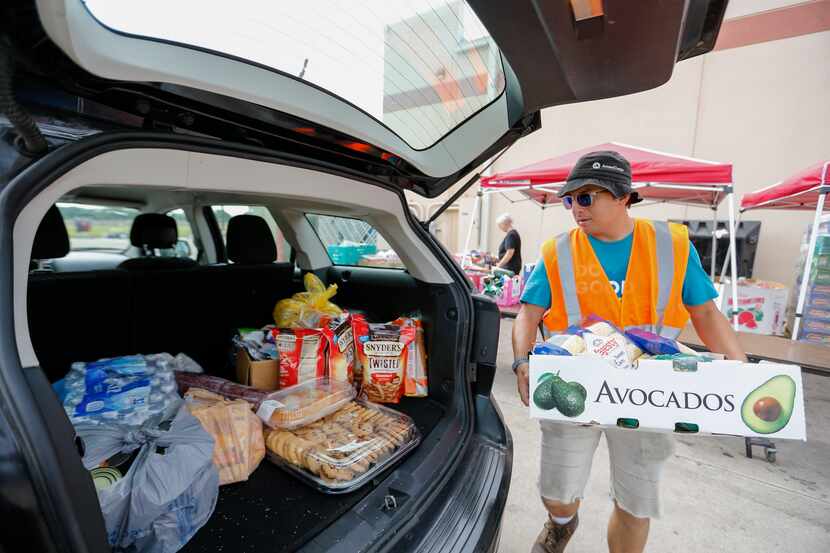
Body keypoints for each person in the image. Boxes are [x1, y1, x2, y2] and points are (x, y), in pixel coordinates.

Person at [511, 151, 746, 553]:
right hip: (574, 388)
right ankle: (562, 521)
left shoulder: (671, 245)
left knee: (636, 503)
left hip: (648, 392)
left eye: (587, 198)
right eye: (570, 199)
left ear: (623, 197)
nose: (575, 209)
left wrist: (739, 371)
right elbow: (527, 314)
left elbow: (705, 311)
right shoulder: (557, 251)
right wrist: (521, 362)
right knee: (557, 490)